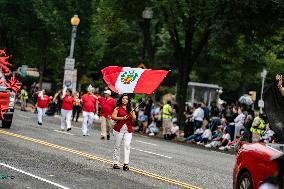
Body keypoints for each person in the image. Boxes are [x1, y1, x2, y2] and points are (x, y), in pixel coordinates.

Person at [112, 94, 136, 171]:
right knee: (117, 146)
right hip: (118, 130)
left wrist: (131, 113)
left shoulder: (131, 109)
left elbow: (134, 118)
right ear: (121, 100)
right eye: (123, 98)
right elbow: (113, 117)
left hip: (128, 130)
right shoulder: (117, 108)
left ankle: (126, 164)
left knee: (127, 145)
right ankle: (115, 163)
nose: (125, 100)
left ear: (128, 101)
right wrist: (122, 118)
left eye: (126, 99)